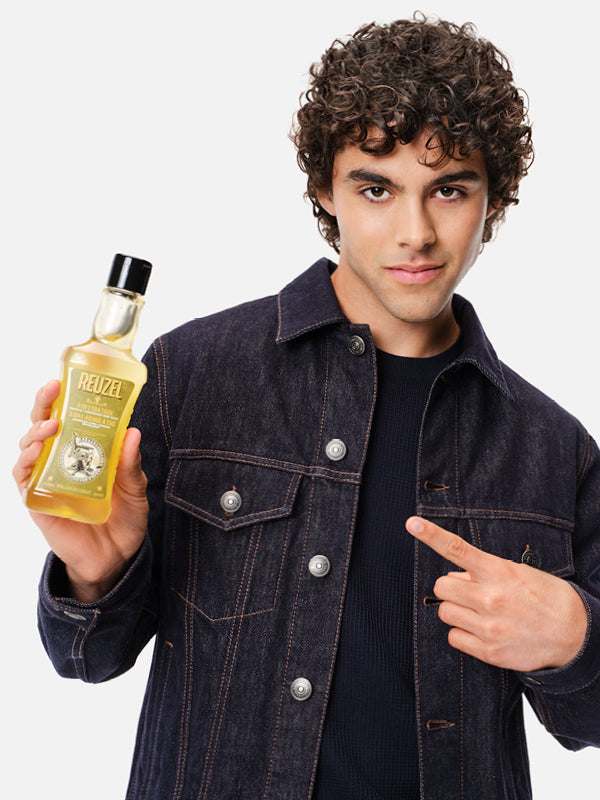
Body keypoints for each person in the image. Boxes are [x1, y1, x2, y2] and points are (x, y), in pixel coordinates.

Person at [13, 14, 600, 800]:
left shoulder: (551, 446)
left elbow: (586, 721)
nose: (416, 233)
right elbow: (88, 659)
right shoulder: (192, 373)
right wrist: (95, 576)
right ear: (325, 188)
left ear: (495, 198)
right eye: (376, 188)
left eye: (450, 189)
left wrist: (577, 640)